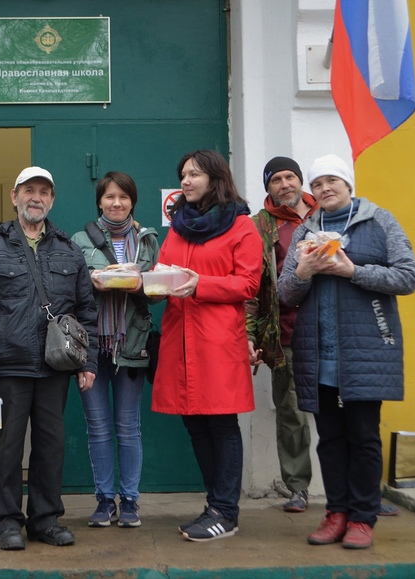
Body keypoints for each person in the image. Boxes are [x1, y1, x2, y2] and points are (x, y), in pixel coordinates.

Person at [278, 154, 415, 549]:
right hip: (318, 353)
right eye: (318, 183)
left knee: (363, 437)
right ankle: (336, 513)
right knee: (329, 439)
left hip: (365, 352)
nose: (325, 189)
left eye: (332, 181)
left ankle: (362, 518)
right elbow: (286, 293)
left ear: (347, 184)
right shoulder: (306, 230)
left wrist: (352, 271)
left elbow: (408, 277)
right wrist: (303, 272)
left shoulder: (380, 221)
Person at [0, 166, 99, 551]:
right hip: (7, 366)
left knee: (51, 447)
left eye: (44, 192)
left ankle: (45, 520)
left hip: (55, 368)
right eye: (29, 190)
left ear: (51, 199)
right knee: (7, 449)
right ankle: (7, 523)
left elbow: (86, 312)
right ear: (14, 196)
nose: (36, 197)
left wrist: (88, 362)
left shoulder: (68, 249)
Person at [151, 150, 262, 542]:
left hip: (217, 342)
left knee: (221, 423)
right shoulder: (178, 227)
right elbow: (165, 271)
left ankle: (226, 512)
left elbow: (248, 283)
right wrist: (150, 285)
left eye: (194, 174)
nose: (185, 181)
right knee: (195, 423)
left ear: (215, 178)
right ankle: (215, 504)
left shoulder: (242, 226)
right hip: (179, 339)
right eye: (183, 174)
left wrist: (201, 284)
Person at [70, 171, 159, 528]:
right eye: (109, 197)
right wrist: (93, 281)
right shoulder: (80, 240)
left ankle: (131, 501)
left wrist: (141, 284)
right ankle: (105, 500)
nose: (116, 203)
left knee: (128, 426)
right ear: (99, 202)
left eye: (123, 196)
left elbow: (157, 291)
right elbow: (71, 289)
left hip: (132, 344)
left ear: (132, 201)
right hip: (92, 346)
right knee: (98, 427)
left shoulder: (147, 239)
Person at [246, 157, 318, 512]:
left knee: (347, 411)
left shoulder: (327, 216)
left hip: (333, 331)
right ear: (268, 187)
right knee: (291, 415)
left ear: (300, 180)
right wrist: (250, 335)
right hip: (285, 333)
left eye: (290, 176)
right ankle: (297, 487)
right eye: (276, 179)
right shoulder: (259, 225)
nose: (285, 184)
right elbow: (251, 285)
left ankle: (356, 489)